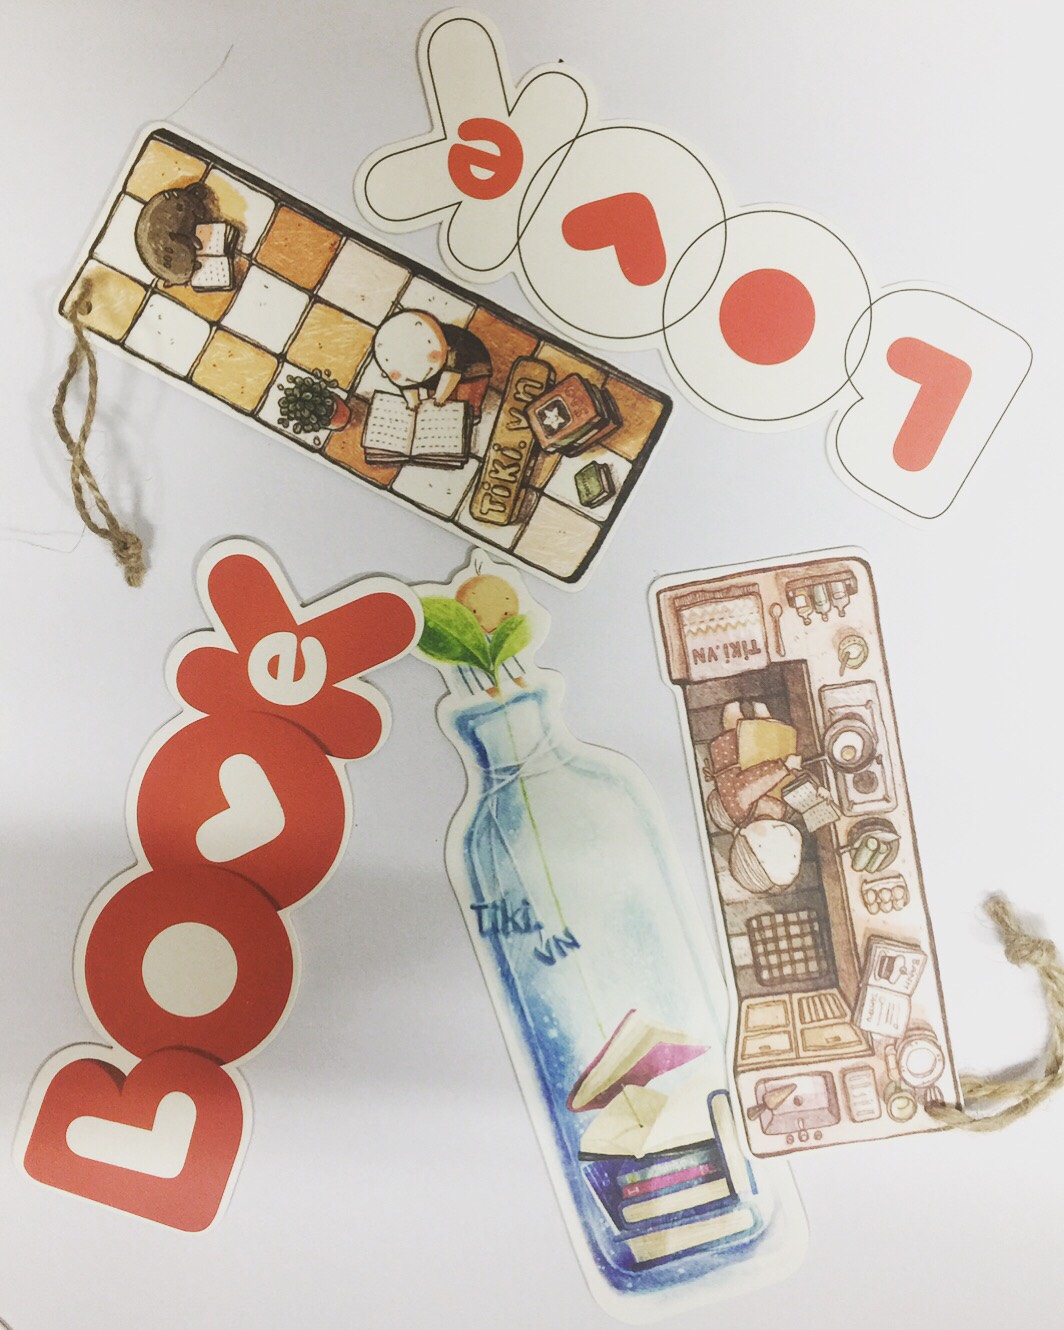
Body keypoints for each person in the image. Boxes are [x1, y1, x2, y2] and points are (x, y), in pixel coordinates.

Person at [372, 309, 492, 420]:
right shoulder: (394, 362)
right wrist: (412, 402)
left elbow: (452, 375)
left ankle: (471, 415)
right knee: (442, 407)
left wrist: (440, 397)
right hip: (434, 376)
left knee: (467, 404)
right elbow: (406, 386)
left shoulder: (452, 344)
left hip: (472, 366)